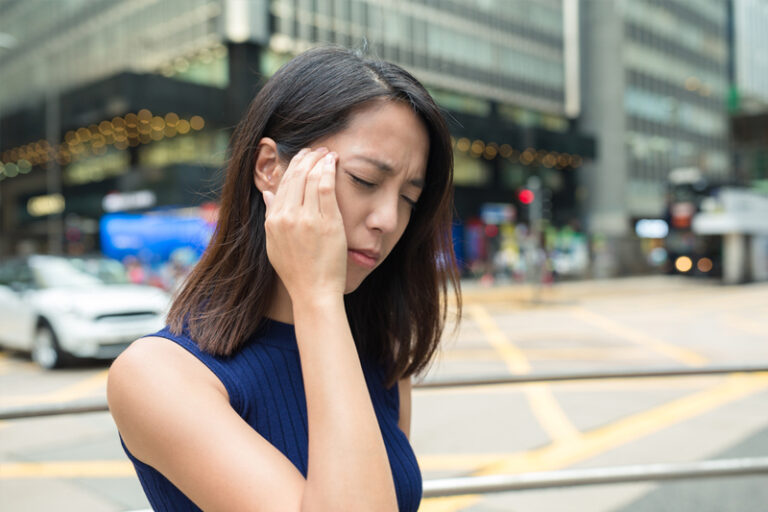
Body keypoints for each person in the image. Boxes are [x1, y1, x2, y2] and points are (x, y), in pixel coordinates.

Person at [107, 46, 461, 512]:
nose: (388, 220)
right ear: (270, 168)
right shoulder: (157, 375)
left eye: (409, 199)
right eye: (365, 180)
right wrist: (317, 295)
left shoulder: (378, 347)